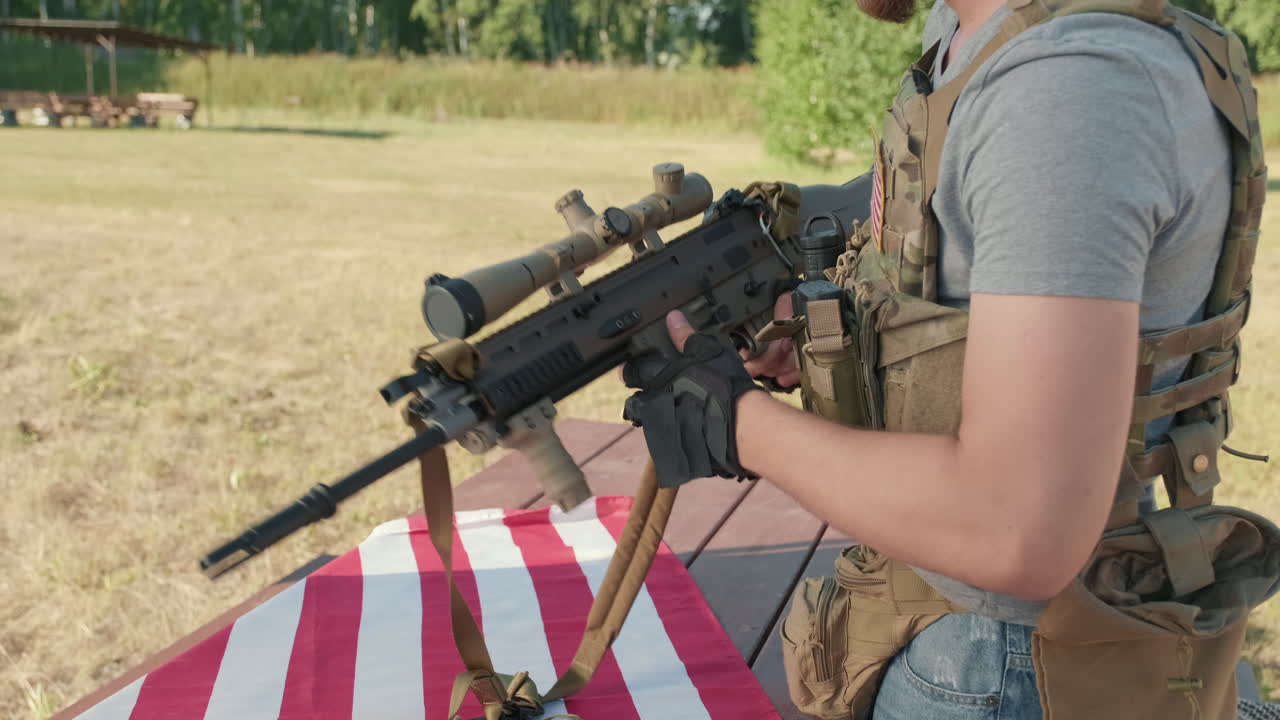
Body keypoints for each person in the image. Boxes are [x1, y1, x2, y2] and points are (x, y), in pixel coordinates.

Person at [621, 0, 1277, 717]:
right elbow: (949, 233)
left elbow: (1017, 529)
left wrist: (733, 421)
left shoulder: (1068, 84)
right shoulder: (979, 32)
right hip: (977, 624)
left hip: (1006, 661)